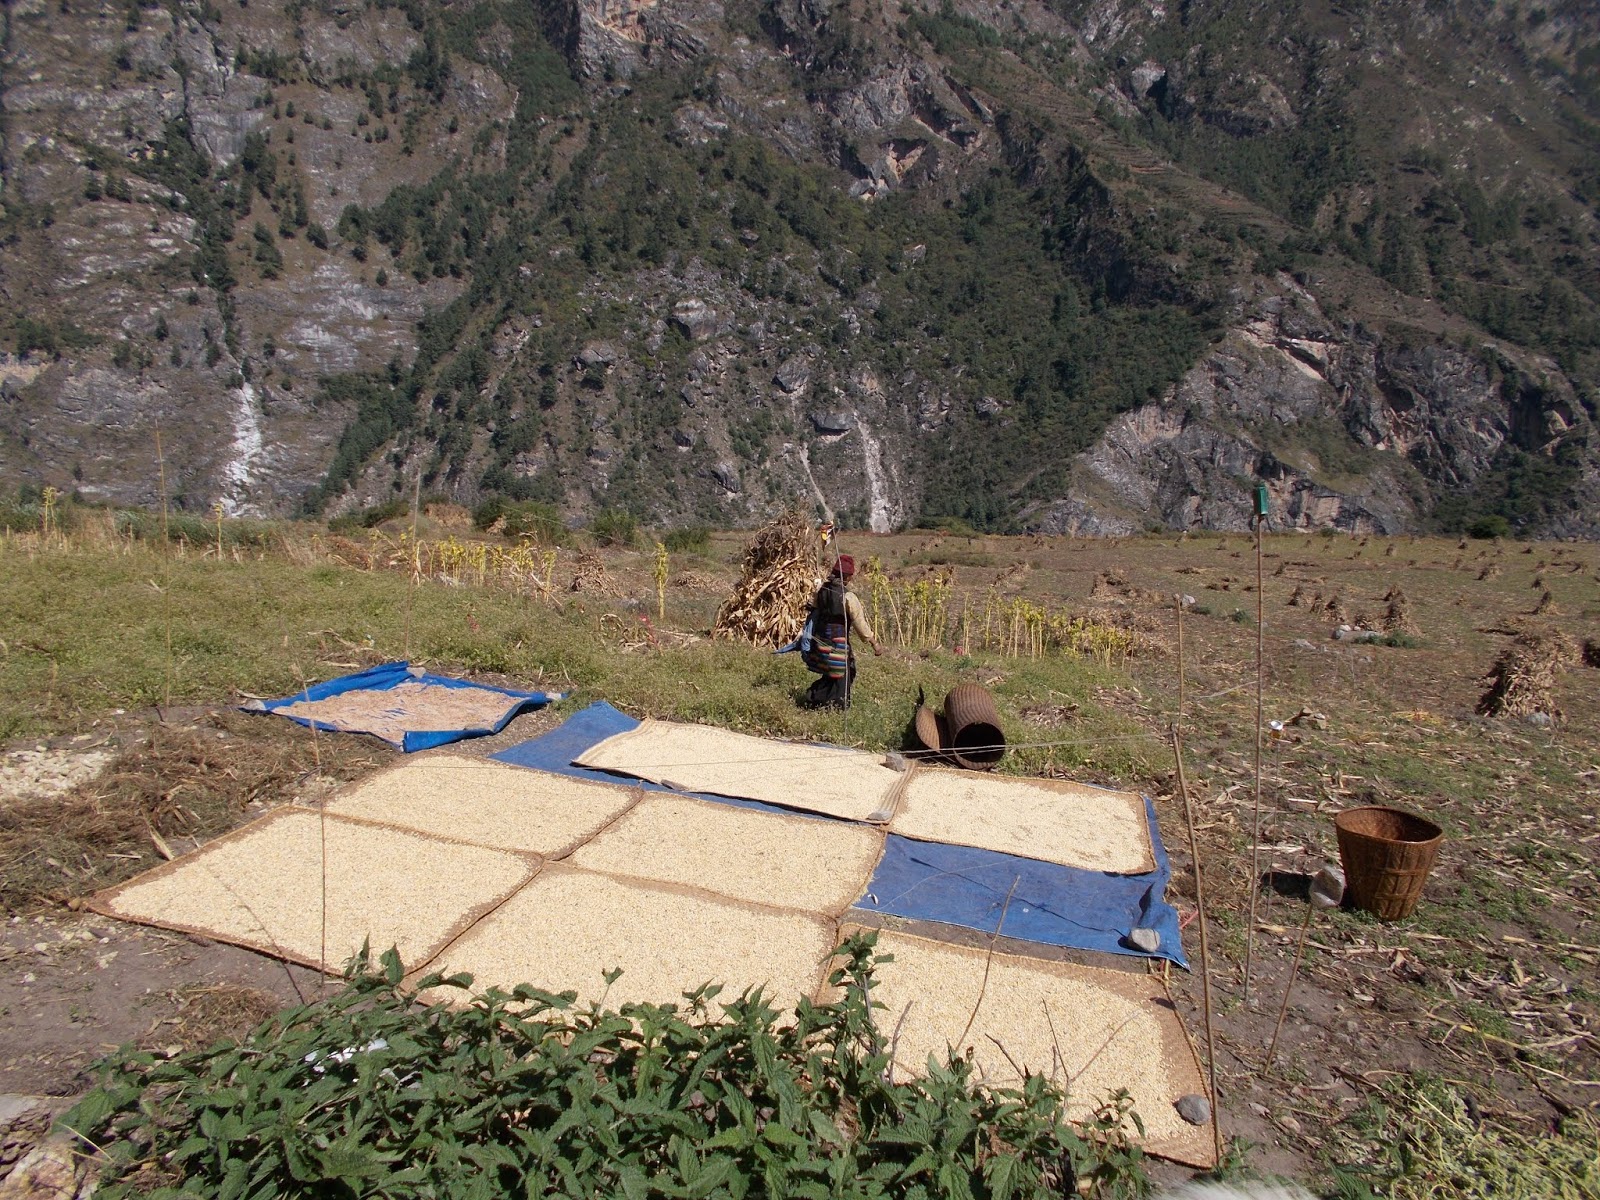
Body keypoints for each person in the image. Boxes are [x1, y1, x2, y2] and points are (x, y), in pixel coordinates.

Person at [800, 554, 881, 709]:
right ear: (848, 577)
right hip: (838, 644)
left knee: (832, 674)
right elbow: (860, 623)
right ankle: (821, 701)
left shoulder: (821, 591)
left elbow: (813, 609)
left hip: (820, 640)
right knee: (843, 675)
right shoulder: (848, 597)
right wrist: (874, 643)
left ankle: (818, 702)